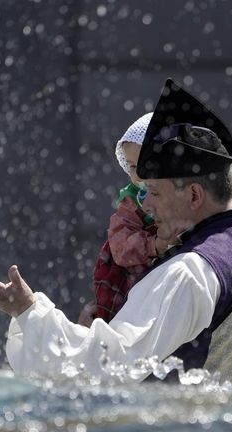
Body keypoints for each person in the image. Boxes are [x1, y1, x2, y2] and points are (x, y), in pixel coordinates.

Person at [0, 78, 232, 388]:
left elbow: (110, 363)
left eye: (155, 192)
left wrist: (27, 311)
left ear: (193, 195)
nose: (144, 202)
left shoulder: (191, 270)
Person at [79, 112, 174, 325]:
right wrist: (154, 245)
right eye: (132, 166)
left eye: (145, 163)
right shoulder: (131, 202)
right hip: (125, 277)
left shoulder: (177, 193)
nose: (139, 173)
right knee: (122, 322)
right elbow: (120, 248)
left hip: (155, 280)